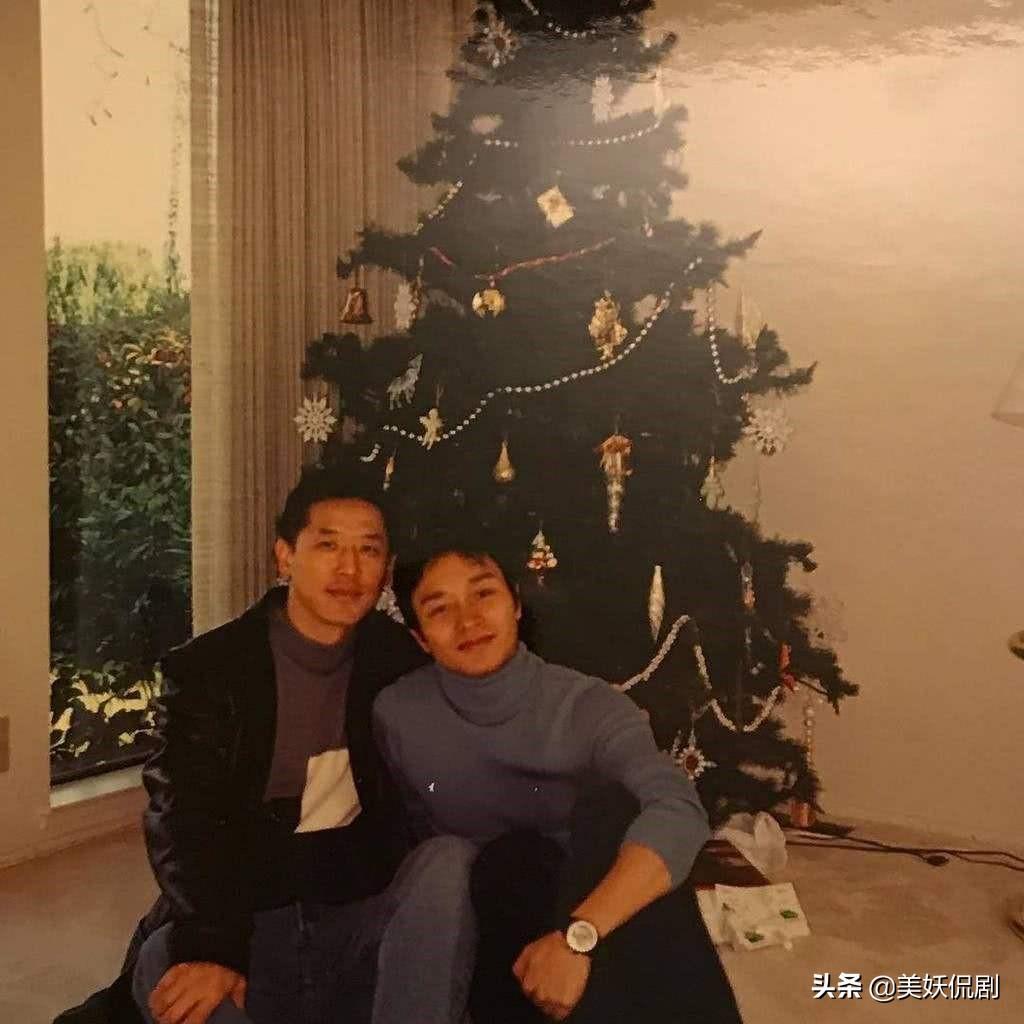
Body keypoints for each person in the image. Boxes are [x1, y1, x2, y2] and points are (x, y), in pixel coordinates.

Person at [56, 466, 479, 1024]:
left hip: (348, 914)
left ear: (385, 569)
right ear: (285, 557)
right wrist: (213, 946)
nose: (349, 569)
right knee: (173, 973)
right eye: (328, 545)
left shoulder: (397, 658)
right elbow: (184, 817)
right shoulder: (211, 670)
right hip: (244, 918)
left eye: (368, 550)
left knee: (447, 862)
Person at [374, 547, 743, 1024]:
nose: (468, 621)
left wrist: (578, 936)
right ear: (420, 638)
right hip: (503, 921)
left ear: (515, 604)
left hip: (605, 913)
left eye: (483, 594)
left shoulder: (587, 705)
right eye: (440, 609)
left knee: (615, 809)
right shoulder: (399, 715)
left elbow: (679, 810)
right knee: (505, 858)